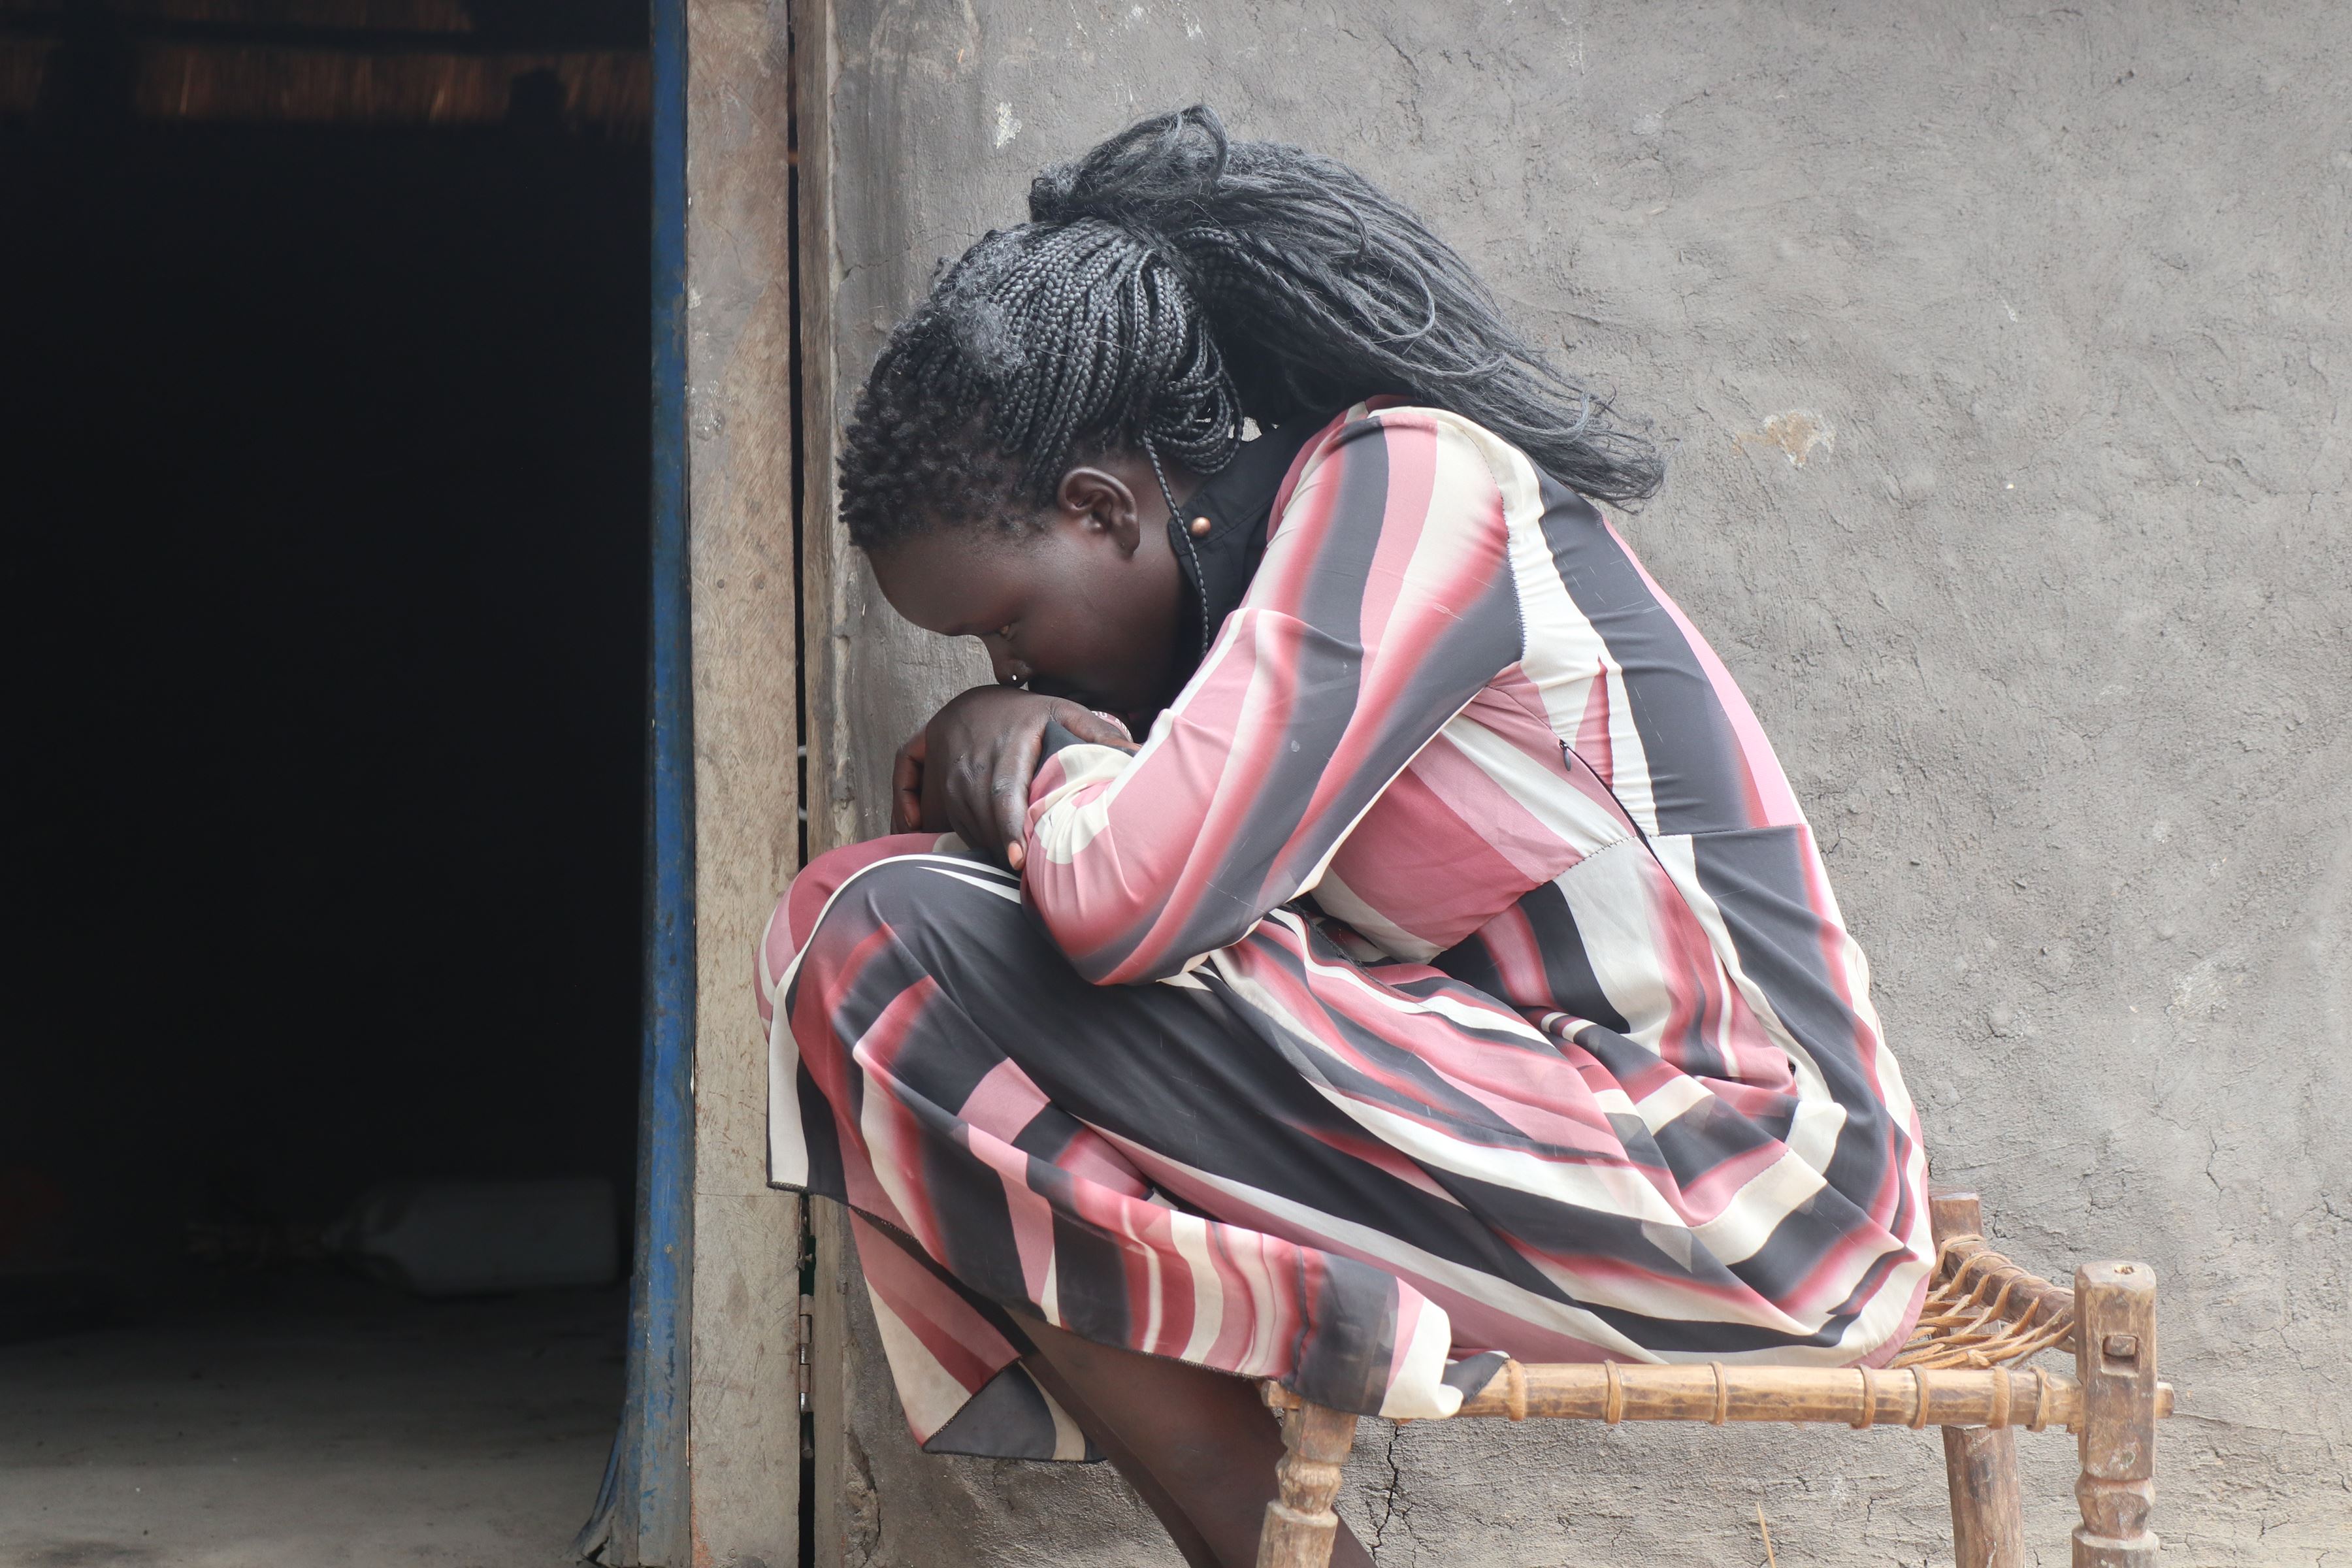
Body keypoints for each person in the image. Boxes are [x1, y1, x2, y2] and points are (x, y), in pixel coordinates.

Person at [757, 105, 1932, 1568]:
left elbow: (1130, 907)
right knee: (892, 958)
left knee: (871, 935)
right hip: (1551, 1136)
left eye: (1007, 624)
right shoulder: (1245, 617)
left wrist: (1040, 749)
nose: (1008, 672)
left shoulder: (1409, 486)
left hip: (1751, 1187)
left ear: (1103, 507)